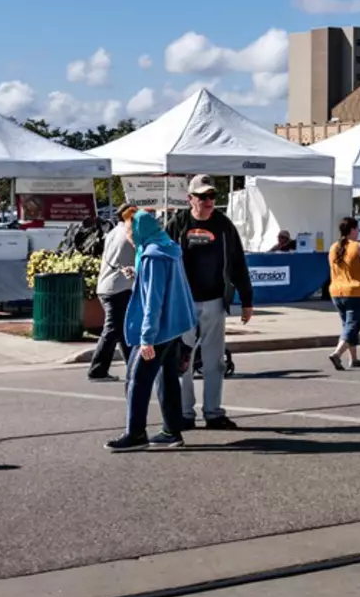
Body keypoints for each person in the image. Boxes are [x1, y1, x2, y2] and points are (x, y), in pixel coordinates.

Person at [162, 178, 253, 431]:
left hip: (214, 301)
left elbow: (238, 262)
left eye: (212, 196)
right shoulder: (178, 224)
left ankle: (213, 413)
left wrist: (247, 300)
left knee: (215, 360)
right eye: (202, 197)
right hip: (183, 302)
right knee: (184, 360)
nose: (208, 201)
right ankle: (184, 413)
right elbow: (163, 259)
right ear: (190, 198)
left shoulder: (223, 225)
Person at [106, 211, 196, 451]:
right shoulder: (167, 248)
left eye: (129, 230)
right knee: (167, 379)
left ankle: (135, 434)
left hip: (157, 330)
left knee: (136, 379)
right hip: (172, 326)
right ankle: (171, 430)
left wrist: (146, 339)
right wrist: (138, 275)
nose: (128, 236)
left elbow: (153, 301)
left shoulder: (152, 256)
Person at [87, 205, 138, 381]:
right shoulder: (129, 236)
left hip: (107, 286)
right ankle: (97, 369)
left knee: (123, 331)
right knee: (113, 329)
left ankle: (133, 367)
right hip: (119, 287)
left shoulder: (114, 232)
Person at [327, 216, 360, 371]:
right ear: (353, 230)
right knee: (355, 324)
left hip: (337, 291)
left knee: (347, 325)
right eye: (357, 230)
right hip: (357, 291)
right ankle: (337, 353)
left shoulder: (333, 247)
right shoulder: (359, 247)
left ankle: (353, 359)